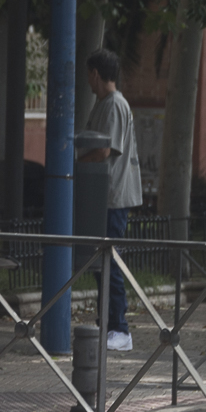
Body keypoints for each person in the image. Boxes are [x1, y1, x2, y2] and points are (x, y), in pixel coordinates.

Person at [80, 48, 141, 351]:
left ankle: (120, 328)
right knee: (102, 262)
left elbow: (105, 150)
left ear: (95, 73)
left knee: (109, 261)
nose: (87, 81)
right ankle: (109, 324)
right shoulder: (106, 104)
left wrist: (78, 163)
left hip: (113, 196)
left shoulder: (114, 105)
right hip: (105, 195)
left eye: (89, 74)